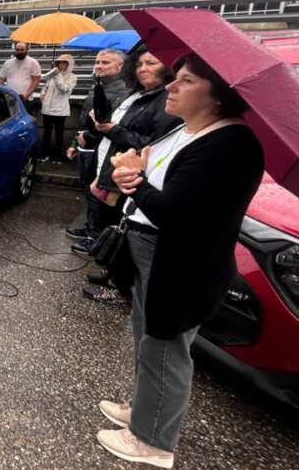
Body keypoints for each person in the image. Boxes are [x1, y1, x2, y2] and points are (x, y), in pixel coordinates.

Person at [98, 53, 264, 468]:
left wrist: (133, 184)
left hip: (181, 262)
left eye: (186, 82)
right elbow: (148, 168)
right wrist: (128, 172)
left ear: (219, 95)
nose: (171, 86)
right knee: (147, 337)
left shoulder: (230, 144)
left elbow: (177, 211)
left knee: (166, 346)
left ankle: (154, 439)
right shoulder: (188, 130)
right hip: (151, 249)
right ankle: (143, 408)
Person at [75, 47, 180, 256]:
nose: (143, 69)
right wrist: (101, 124)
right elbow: (117, 124)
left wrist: (113, 129)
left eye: (151, 63)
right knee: (99, 206)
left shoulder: (166, 100)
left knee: (115, 219)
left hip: (127, 171)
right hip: (107, 160)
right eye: (140, 64)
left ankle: (107, 261)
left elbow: (152, 144)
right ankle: (98, 245)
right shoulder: (135, 94)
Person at [65, 48, 129, 243]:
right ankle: (90, 228)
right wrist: (76, 142)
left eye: (105, 63)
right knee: (88, 189)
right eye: (97, 62)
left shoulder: (123, 92)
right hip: (87, 146)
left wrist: (89, 135)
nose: (99, 66)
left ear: (120, 66)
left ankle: (96, 236)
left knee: (99, 193)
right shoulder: (97, 86)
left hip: (103, 150)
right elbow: (86, 119)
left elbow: (111, 124)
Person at [39, 54, 76, 163]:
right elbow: (45, 86)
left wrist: (57, 76)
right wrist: (42, 94)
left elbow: (64, 89)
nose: (61, 65)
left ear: (69, 64)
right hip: (46, 109)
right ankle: (44, 154)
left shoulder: (72, 77)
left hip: (60, 111)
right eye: (59, 62)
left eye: (64, 63)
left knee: (59, 134)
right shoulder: (52, 74)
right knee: (46, 133)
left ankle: (57, 157)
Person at [0, 42, 41, 108]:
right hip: (10, 99)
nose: (19, 51)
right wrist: (4, 94)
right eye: (17, 50)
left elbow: (36, 80)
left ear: (26, 50)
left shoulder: (33, 62)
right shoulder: (8, 63)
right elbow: (1, 79)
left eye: (22, 50)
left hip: (26, 99)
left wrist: (26, 95)